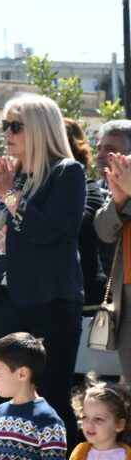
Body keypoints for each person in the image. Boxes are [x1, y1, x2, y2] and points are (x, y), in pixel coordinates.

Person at [0, 94, 86, 449]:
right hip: (5, 302)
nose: (8, 133)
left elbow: (46, 230)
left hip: (49, 302)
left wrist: (9, 193)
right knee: (13, 402)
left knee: (50, 399)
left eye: (17, 125)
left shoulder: (66, 172)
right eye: (5, 125)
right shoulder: (9, 178)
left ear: (42, 129)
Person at [65, 118, 109, 307]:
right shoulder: (19, 185)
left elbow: (59, 226)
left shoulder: (88, 189)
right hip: (25, 297)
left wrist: (9, 195)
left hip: (82, 296)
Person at [95, 150, 131, 382]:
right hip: (127, 296)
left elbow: (40, 227)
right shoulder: (127, 168)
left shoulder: (67, 172)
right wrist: (119, 200)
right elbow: (104, 231)